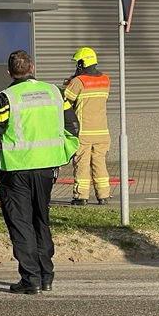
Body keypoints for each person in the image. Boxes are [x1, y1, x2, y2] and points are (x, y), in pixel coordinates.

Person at [0, 50, 79, 295]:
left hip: (15, 170)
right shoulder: (56, 92)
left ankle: (30, 279)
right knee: (41, 221)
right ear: (32, 68)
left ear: (9, 72)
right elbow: (73, 126)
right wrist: (62, 153)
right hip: (47, 168)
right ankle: (46, 276)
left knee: (21, 224)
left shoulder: (6, 97)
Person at [64, 47, 111, 206]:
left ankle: (81, 196)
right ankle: (103, 195)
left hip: (83, 132)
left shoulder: (78, 82)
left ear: (82, 63)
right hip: (102, 132)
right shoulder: (105, 79)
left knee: (82, 164)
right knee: (99, 163)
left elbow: (66, 101)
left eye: (78, 62)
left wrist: (69, 83)